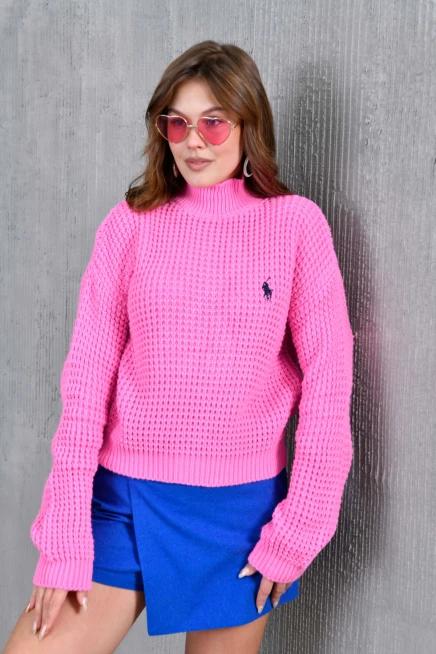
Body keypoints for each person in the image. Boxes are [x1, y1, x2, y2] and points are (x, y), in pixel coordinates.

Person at [3, 40, 354, 654]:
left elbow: (329, 386)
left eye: (214, 123)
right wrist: (62, 532)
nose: (194, 141)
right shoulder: (129, 225)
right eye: (177, 123)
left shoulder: (296, 226)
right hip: (124, 501)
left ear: (248, 126)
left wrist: (300, 528)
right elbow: (85, 383)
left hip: (240, 516)